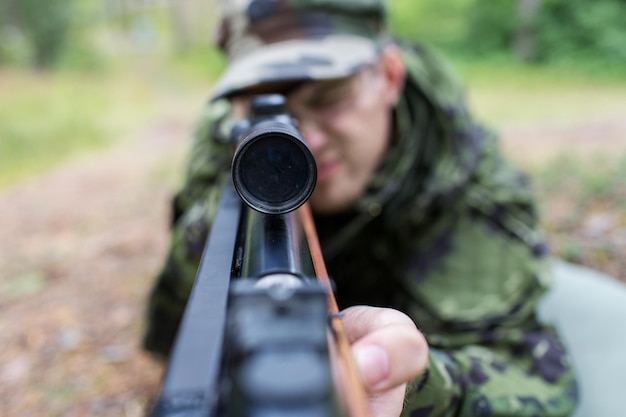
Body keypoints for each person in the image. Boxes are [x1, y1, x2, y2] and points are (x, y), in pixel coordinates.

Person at [143, 0, 578, 416]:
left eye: (328, 97)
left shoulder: (458, 177)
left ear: (389, 77)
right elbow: (176, 316)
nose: (305, 142)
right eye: (262, 107)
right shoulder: (224, 136)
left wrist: (412, 387)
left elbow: (534, 376)